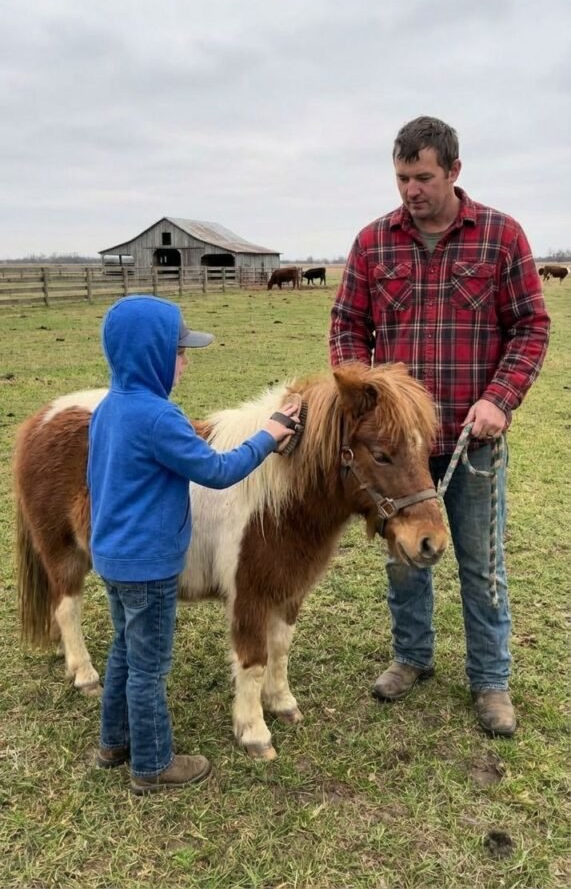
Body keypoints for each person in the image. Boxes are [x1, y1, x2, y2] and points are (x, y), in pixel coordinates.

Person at [329, 116, 550, 736]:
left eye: (422, 177)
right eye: (401, 177)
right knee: (404, 557)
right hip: (397, 452)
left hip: (471, 440)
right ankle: (412, 657)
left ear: (454, 171)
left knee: (480, 563)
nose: (410, 190)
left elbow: (532, 327)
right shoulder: (373, 244)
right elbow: (348, 328)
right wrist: (364, 401)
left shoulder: (502, 237)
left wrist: (500, 400)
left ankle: (490, 679)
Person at [88, 294, 300, 794]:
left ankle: (113, 741)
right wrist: (269, 435)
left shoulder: (107, 409)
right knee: (149, 668)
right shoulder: (160, 418)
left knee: (123, 650)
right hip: (151, 564)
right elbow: (217, 470)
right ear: (152, 354)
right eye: (178, 351)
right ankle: (153, 764)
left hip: (113, 558)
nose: (184, 361)